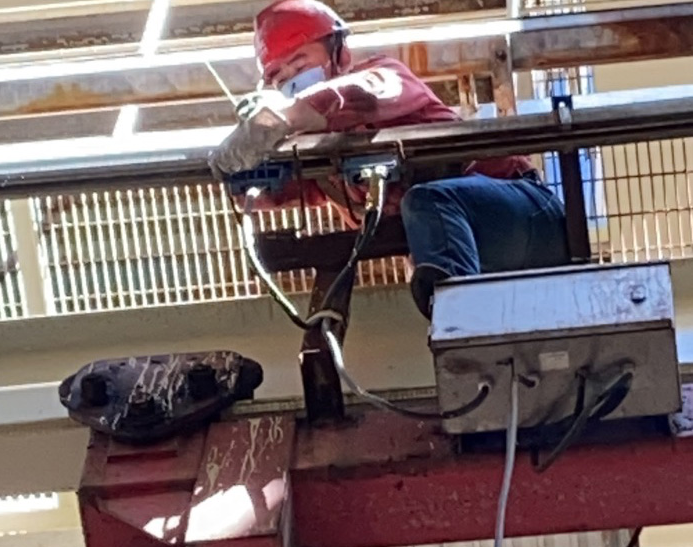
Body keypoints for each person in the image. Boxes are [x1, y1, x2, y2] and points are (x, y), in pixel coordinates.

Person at [209, 0, 570, 319]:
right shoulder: (327, 162)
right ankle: (462, 325)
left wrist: (281, 118)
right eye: (278, 76)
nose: (291, 80)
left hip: (526, 215)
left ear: (340, 55)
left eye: (299, 63)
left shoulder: (383, 76)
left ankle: (459, 321)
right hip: (480, 260)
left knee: (427, 202)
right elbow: (272, 192)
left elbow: (359, 95)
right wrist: (239, 168)